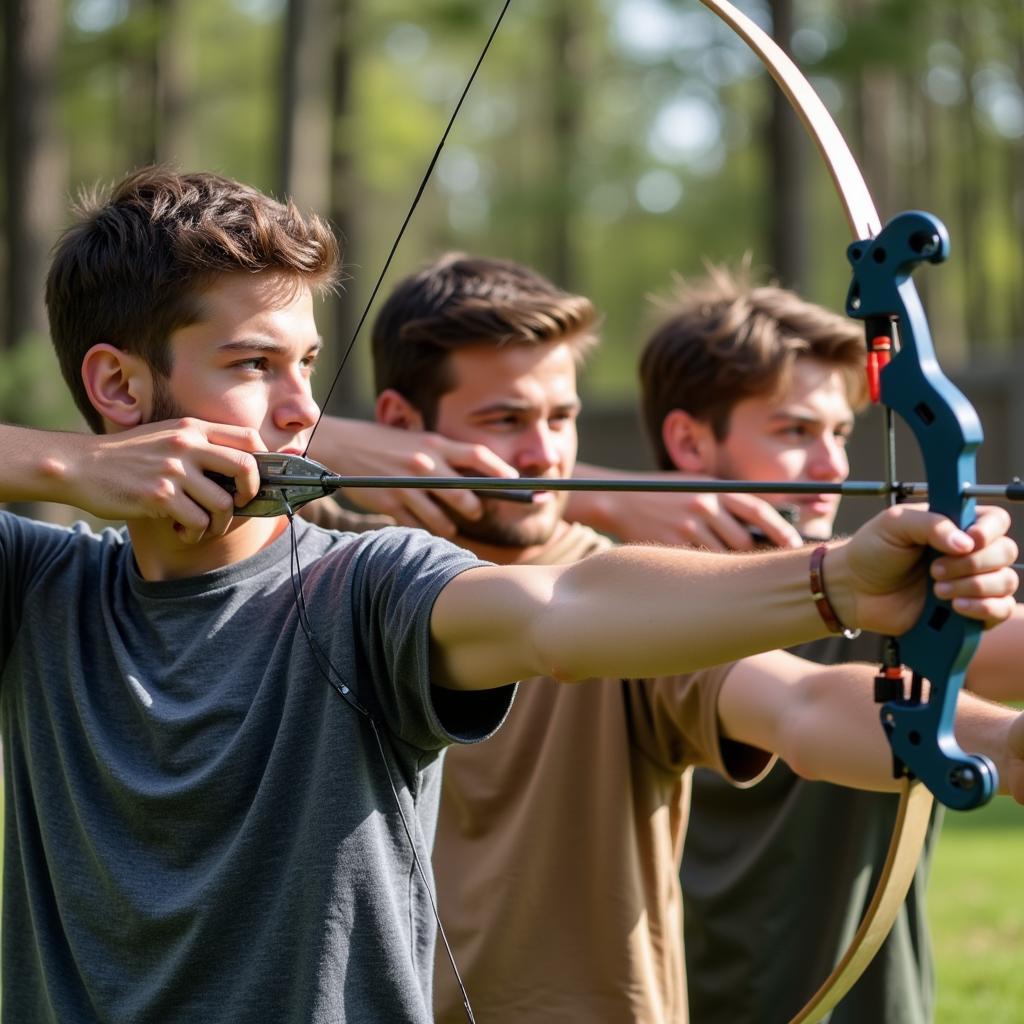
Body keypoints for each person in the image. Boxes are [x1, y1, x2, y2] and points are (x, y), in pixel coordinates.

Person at [1, 171, 1017, 1024]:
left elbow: (562, 609)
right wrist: (63, 465)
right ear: (120, 388)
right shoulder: (43, 587)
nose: (305, 407)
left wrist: (836, 581)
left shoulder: (369, 585)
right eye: (254, 365)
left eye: (307, 361)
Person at [297, 251, 1021, 1024]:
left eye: (562, 417)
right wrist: (323, 440)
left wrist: (1004, 746)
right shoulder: (318, 562)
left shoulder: (628, 598)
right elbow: (175, 443)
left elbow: (802, 704)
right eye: (506, 421)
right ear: (404, 425)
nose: (544, 455)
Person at [634, 263, 1022, 1024]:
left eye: (841, 432)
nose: (832, 466)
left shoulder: (883, 597)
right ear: (686, 439)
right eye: (794, 432)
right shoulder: (613, 612)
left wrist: (981, 582)